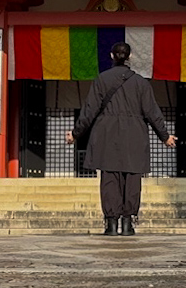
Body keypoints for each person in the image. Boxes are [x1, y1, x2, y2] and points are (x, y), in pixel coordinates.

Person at [66, 41, 176, 236]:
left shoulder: (102, 79)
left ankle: (110, 225)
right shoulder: (141, 83)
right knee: (132, 178)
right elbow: (152, 112)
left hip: (107, 134)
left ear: (111, 56)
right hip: (134, 135)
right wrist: (165, 136)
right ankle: (128, 224)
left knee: (109, 179)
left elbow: (89, 110)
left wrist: (75, 134)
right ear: (130, 57)